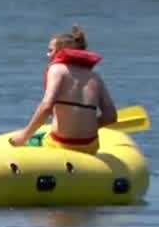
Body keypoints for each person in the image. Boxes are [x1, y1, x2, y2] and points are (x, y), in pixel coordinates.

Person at [8, 25, 118, 154]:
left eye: (50, 50)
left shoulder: (57, 69)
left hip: (61, 144)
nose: (47, 54)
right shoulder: (95, 77)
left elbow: (46, 107)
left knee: (32, 141)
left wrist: (23, 137)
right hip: (90, 146)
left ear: (60, 52)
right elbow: (111, 116)